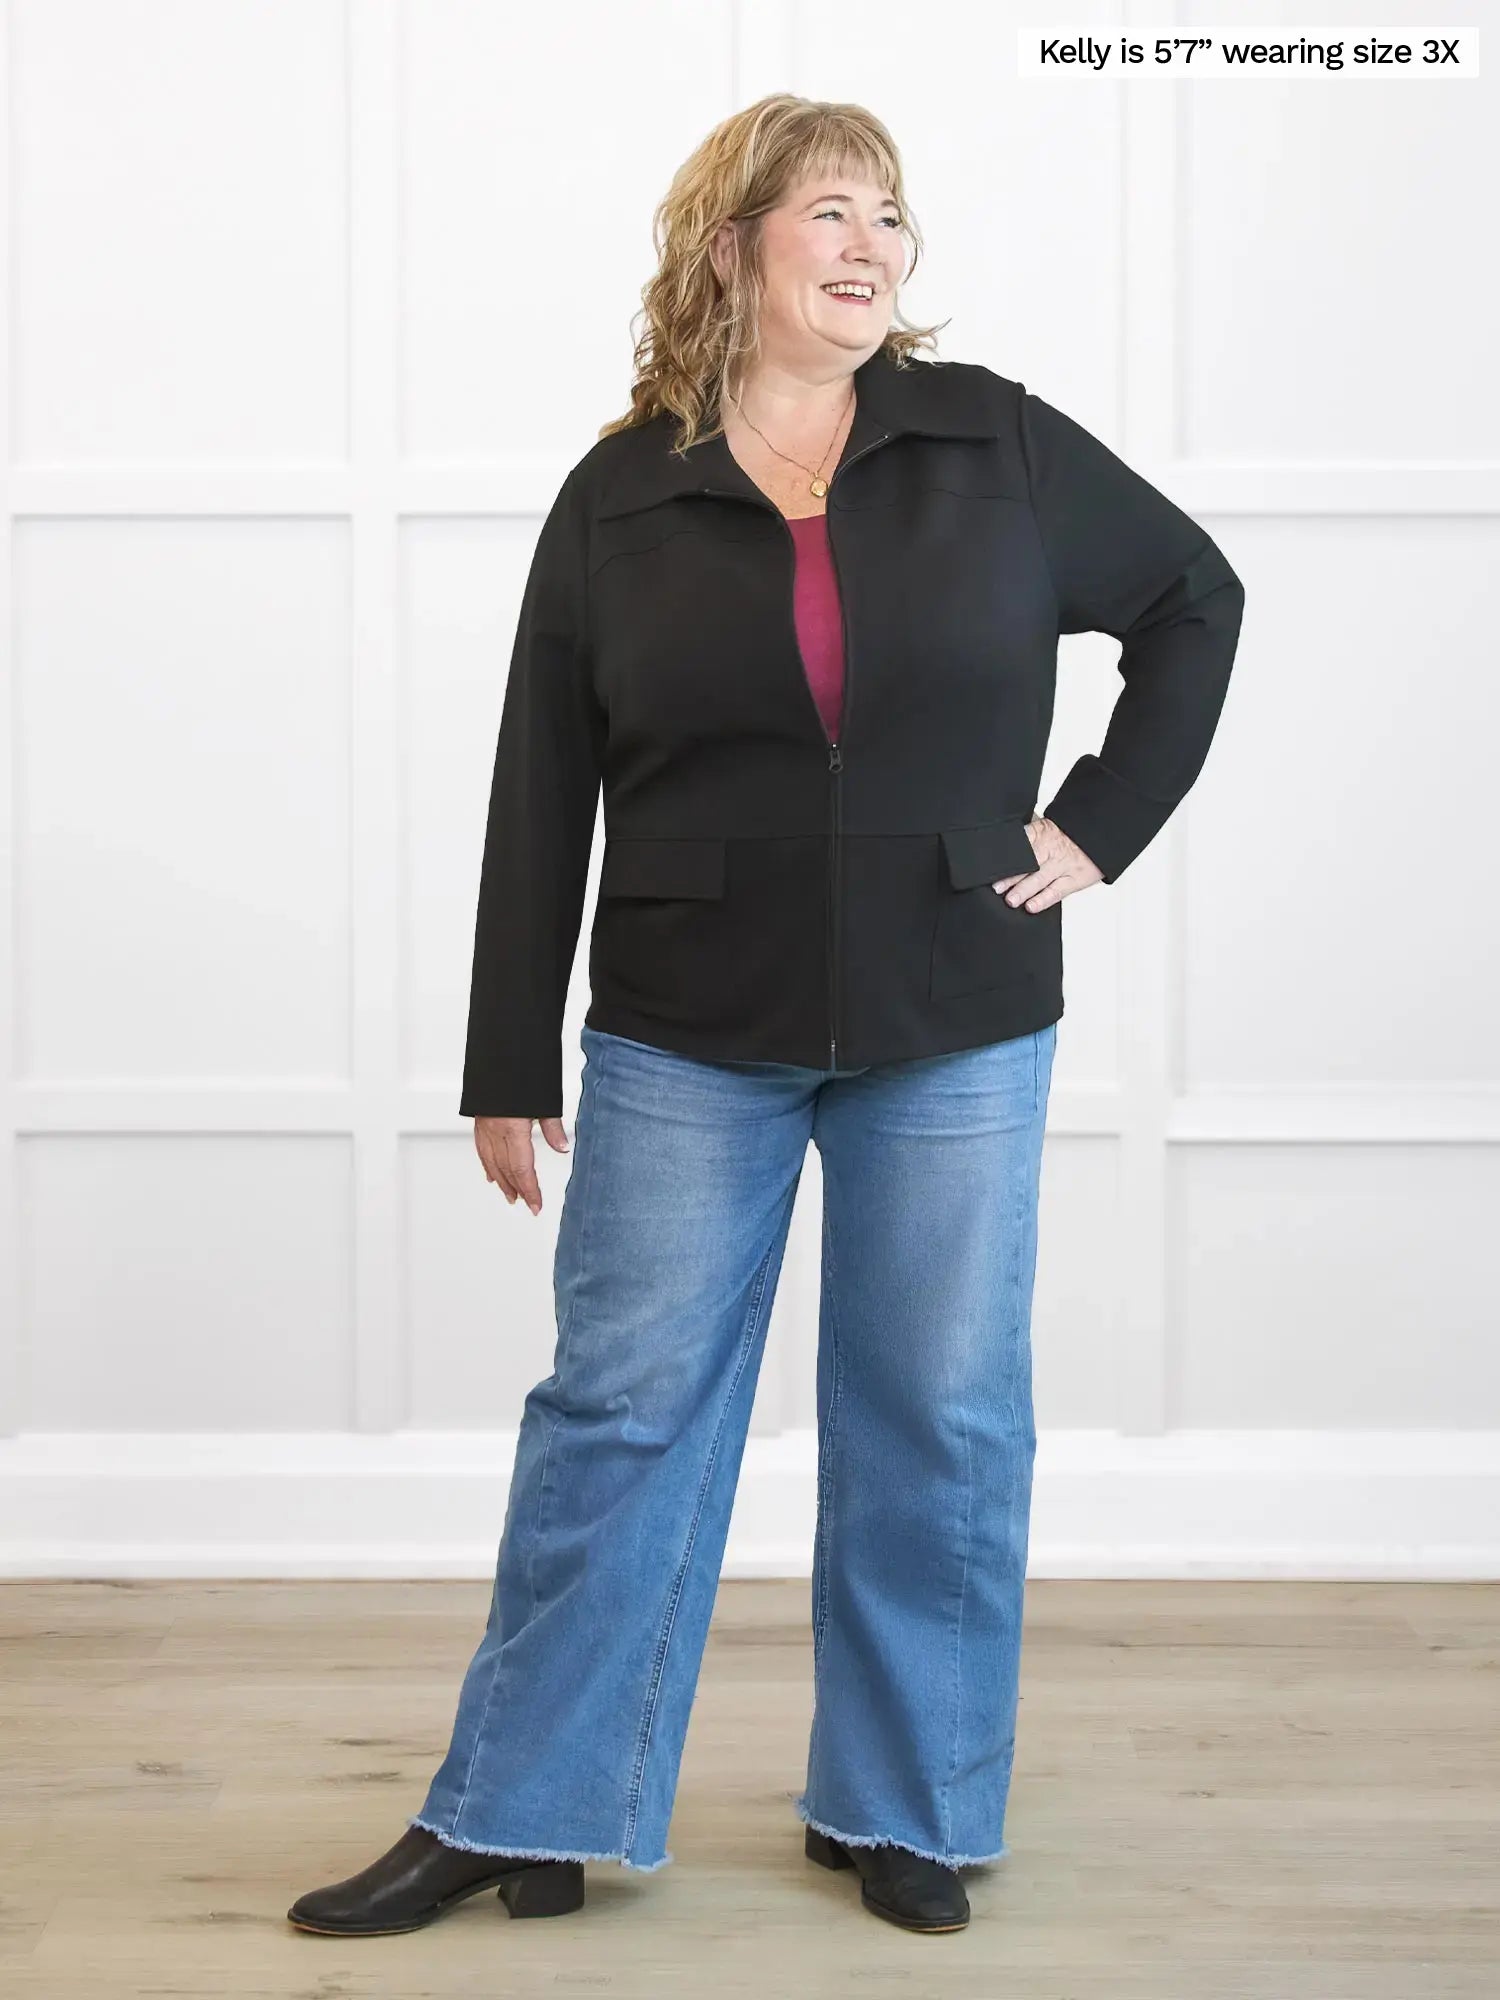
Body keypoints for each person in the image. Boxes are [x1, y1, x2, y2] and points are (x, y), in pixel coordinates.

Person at [288, 93, 1245, 1942]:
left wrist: (1099, 823)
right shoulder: (622, 491)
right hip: (684, 1021)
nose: (870, 245)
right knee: (618, 1413)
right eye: (829, 211)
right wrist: (503, 1053)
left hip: (954, 1007)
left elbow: (1195, 598)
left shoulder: (995, 441)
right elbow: (539, 777)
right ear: (733, 245)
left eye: (890, 215)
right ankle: (524, 1807)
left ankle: (905, 1805)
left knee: (939, 1415)